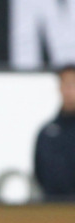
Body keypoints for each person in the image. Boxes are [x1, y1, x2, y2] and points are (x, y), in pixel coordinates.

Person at [33, 64, 75, 200]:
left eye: (73, 84)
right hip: (54, 206)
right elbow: (39, 172)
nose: (69, 90)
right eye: (66, 84)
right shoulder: (47, 132)